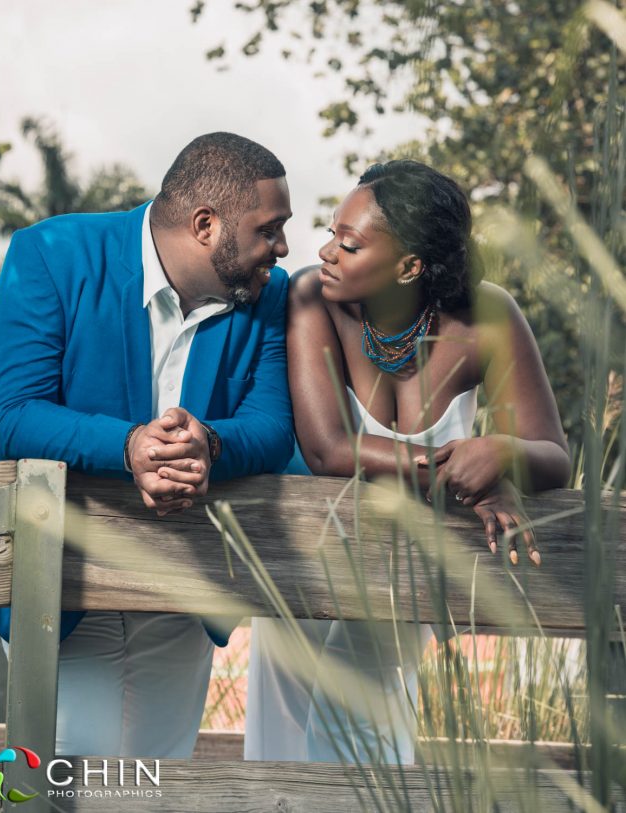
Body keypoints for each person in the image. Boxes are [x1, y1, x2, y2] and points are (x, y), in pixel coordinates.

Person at [0, 132, 294, 757]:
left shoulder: (271, 296)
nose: (281, 248)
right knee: (70, 777)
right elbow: (14, 414)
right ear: (206, 225)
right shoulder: (49, 254)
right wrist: (130, 447)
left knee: (157, 780)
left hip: (183, 586)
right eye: (269, 228)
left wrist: (210, 443)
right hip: (61, 579)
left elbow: (272, 427)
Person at [245, 159, 571, 764]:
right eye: (330, 232)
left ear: (411, 265)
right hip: (303, 562)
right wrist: (461, 471)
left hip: (398, 577)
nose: (325, 250)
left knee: (360, 737)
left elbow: (554, 458)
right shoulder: (313, 297)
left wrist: (499, 452)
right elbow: (328, 449)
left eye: (348, 242)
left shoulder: (488, 318)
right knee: (282, 751)